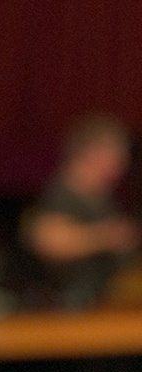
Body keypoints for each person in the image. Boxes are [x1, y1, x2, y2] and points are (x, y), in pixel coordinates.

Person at [23, 115, 139, 308]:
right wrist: (107, 236)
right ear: (92, 152)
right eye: (116, 154)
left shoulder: (101, 199)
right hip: (66, 308)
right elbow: (48, 240)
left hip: (99, 304)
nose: (122, 163)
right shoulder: (62, 195)